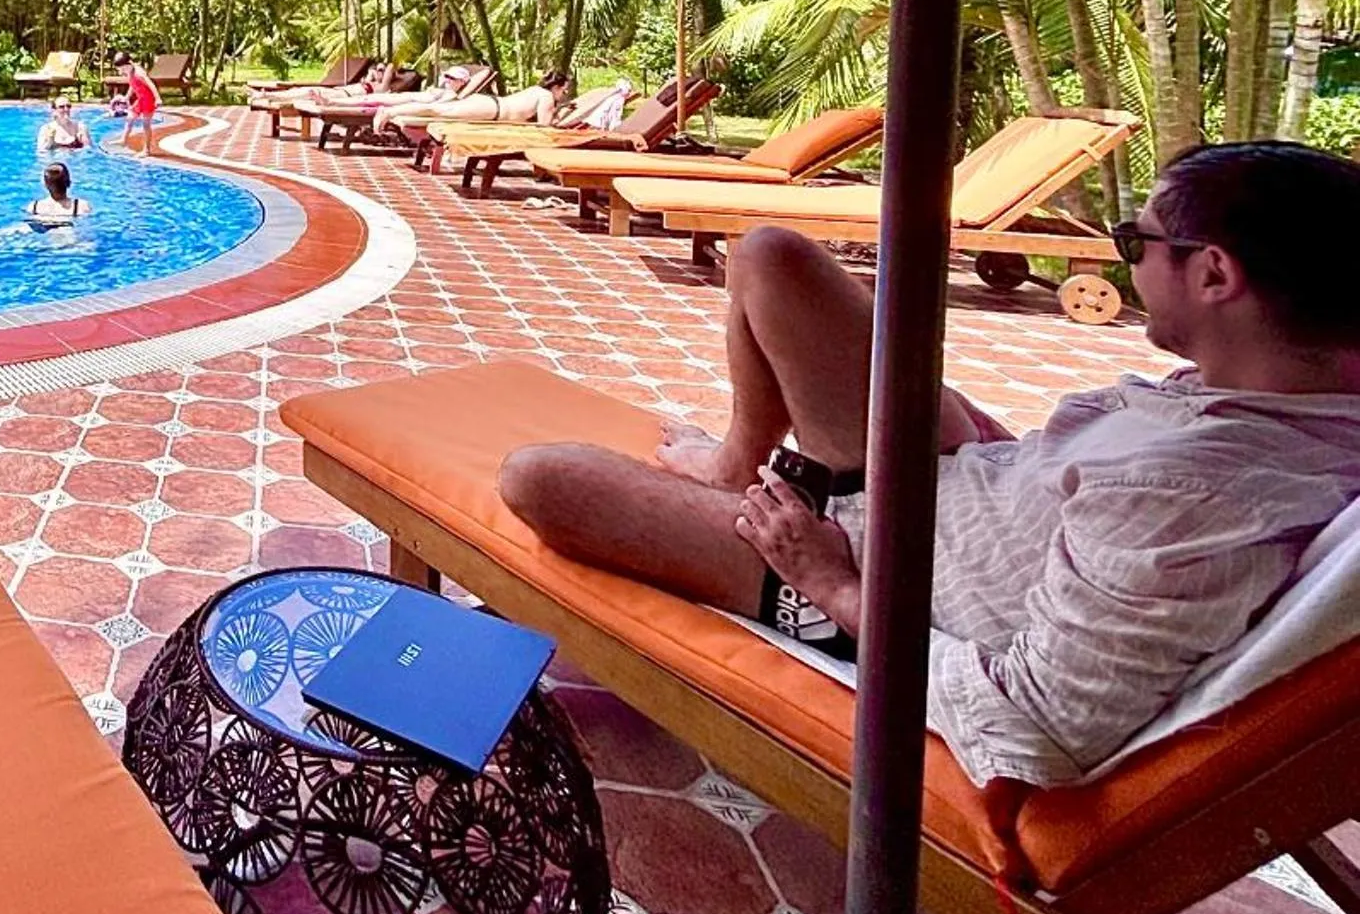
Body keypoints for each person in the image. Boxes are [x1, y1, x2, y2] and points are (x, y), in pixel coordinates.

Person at [496, 141, 1360, 794]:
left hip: (876, 569)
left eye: (1137, 242)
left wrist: (830, 584)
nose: (1127, 255)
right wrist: (994, 452)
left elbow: (1035, 730)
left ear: (1213, 273)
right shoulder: (1281, 396)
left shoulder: (1193, 496)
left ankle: (766, 536)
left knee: (539, 479)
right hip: (957, 483)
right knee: (769, 256)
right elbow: (1075, 499)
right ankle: (734, 469)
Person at [113, 51, 160, 155]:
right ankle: (123, 140)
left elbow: (151, 84)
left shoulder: (139, 72)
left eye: (123, 68)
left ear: (129, 63)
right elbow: (132, 85)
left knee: (146, 125)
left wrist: (157, 98)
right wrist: (127, 97)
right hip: (140, 99)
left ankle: (146, 150)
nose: (122, 71)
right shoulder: (130, 72)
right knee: (130, 118)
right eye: (121, 69)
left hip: (149, 100)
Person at [496, 68, 575, 125]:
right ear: (555, 87)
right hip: (495, 111)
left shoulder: (535, 90)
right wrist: (562, 113)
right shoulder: (547, 95)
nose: (565, 93)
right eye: (564, 91)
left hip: (495, 106)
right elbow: (545, 127)